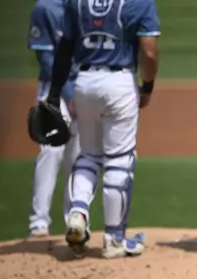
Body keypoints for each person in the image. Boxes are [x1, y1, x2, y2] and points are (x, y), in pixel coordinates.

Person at [44, 0, 161, 259]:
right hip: (119, 82)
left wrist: (53, 94)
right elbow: (149, 52)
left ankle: (78, 212)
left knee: (89, 155)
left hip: (84, 83)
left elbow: (64, 48)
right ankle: (114, 239)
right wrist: (148, 86)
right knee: (119, 160)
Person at [26, 0, 81, 238]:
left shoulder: (85, 6)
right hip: (53, 89)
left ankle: (75, 221)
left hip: (84, 88)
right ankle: (39, 223)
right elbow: (45, 57)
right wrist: (67, 94)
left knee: (77, 158)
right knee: (51, 152)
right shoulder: (45, 8)